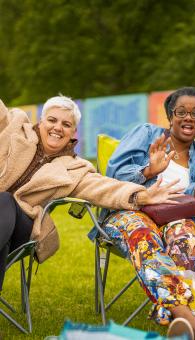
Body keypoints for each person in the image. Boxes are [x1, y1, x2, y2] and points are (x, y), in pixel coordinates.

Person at [0, 95, 183, 296]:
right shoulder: (13, 127)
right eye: (52, 120)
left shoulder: (75, 169)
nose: (58, 127)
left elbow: (104, 187)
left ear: (73, 132)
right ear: (41, 121)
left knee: (5, 200)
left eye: (66, 124)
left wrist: (142, 195)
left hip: (23, 224)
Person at [104, 87, 195, 340]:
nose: (188, 118)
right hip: (130, 212)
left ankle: (171, 315)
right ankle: (193, 323)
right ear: (169, 116)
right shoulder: (147, 134)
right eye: (181, 112)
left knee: (185, 235)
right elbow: (113, 175)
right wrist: (149, 171)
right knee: (143, 233)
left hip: (173, 219)